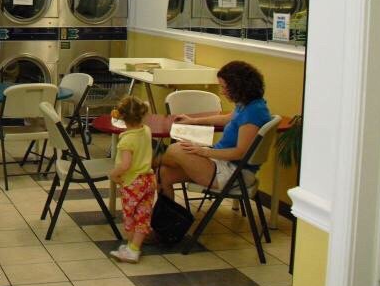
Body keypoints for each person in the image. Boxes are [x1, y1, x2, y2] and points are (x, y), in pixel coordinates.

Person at [158, 60, 272, 199]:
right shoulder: (250, 105)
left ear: (238, 87)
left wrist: (203, 151)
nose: (222, 92)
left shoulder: (252, 114)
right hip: (223, 164)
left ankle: (148, 162)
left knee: (176, 149)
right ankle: (169, 219)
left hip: (234, 174)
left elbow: (240, 153)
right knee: (163, 173)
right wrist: (193, 121)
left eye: (224, 87)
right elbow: (227, 118)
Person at [108, 95, 155, 264]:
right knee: (143, 215)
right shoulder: (147, 131)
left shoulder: (127, 140)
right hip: (149, 179)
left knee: (130, 216)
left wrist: (114, 174)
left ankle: (130, 246)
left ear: (121, 117)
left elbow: (126, 165)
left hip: (133, 183)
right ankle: (134, 248)